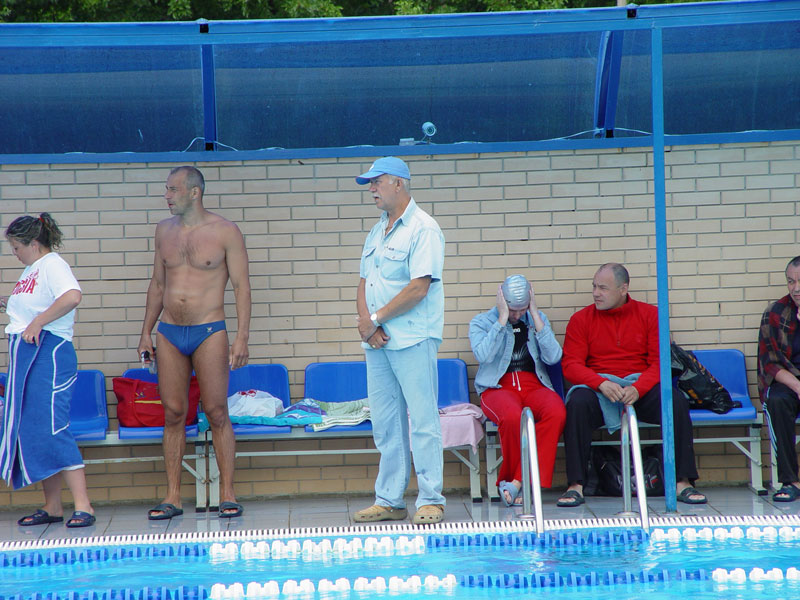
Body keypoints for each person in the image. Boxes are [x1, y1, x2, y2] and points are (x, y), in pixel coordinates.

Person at [137, 166, 251, 520]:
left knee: (216, 411)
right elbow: (158, 284)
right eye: (166, 189)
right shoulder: (163, 230)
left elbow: (241, 287)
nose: (167, 196)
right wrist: (145, 331)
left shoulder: (225, 231)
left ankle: (227, 494)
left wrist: (242, 337)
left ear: (194, 192)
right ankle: (172, 496)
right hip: (170, 332)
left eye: (172, 189)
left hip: (209, 330)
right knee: (173, 413)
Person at [557, 262, 707, 507]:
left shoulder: (649, 315)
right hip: (601, 389)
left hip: (639, 388)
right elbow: (571, 365)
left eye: (603, 288)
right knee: (576, 404)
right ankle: (576, 485)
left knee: (675, 402)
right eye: (594, 287)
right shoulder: (580, 319)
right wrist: (601, 383)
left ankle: (682, 481)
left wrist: (638, 388)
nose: (596, 293)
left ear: (623, 289)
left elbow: (660, 362)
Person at [353, 156, 446, 525]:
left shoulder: (424, 228)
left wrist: (376, 320)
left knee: (422, 421)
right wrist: (368, 326)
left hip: (412, 339)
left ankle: (431, 499)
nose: (372, 190)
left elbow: (419, 288)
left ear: (399, 183)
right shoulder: (377, 230)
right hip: (377, 342)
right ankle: (390, 499)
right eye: (370, 184)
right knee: (386, 423)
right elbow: (364, 283)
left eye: (377, 182)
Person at [0, 213, 96, 528]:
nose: (14, 253)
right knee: (35, 429)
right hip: (28, 356)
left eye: (16, 247)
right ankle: (52, 506)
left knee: (53, 427)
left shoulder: (52, 264)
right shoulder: (32, 270)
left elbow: (72, 296)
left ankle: (84, 506)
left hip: (49, 355)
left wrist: (38, 322)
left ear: (34, 243)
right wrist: (9, 303)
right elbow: (34, 305)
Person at [469, 275, 565, 506]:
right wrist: (502, 320)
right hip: (497, 386)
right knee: (512, 416)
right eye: (513, 310)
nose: (517, 315)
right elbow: (483, 356)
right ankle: (516, 481)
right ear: (502, 301)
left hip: (533, 383)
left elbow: (554, 357)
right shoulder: (481, 322)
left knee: (557, 411)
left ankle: (517, 482)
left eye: (522, 309)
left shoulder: (536, 319)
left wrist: (535, 315)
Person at [758, 255, 800, 502]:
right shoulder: (775, 312)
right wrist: (797, 386)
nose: (796, 288)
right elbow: (770, 363)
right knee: (777, 401)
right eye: (791, 281)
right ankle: (790, 481)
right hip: (789, 381)